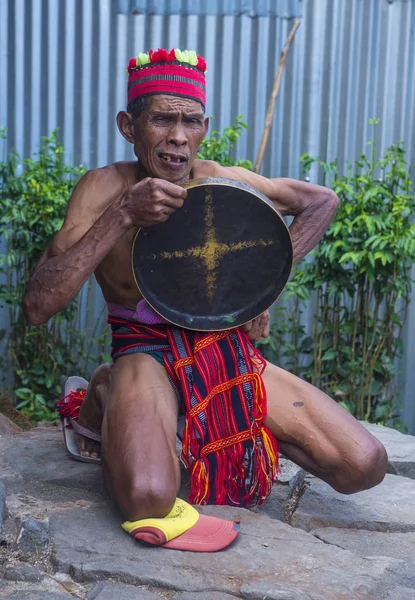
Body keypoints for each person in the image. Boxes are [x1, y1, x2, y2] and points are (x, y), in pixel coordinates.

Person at [22, 48, 387, 544]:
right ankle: (108, 394)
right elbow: (38, 306)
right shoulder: (104, 189)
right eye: (162, 120)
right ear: (129, 126)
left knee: (362, 464)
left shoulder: (221, 180)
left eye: (190, 121)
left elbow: (321, 202)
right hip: (143, 351)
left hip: (222, 350)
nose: (178, 136)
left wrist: (263, 291)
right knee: (151, 500)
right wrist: (123, 215)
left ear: (205, 128)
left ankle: (197, 426)